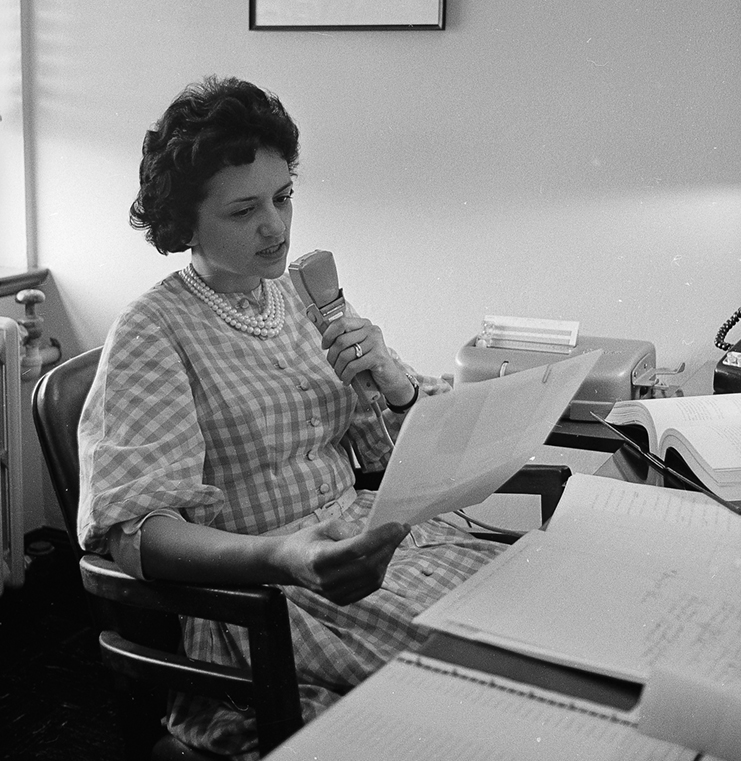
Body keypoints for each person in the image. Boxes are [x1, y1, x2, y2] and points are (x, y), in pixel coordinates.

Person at [77, 76, 501, 759]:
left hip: (371, 546)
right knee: (492, 680)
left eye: (282, 198)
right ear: (185, 222)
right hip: (268, 592)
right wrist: (283, 555)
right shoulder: (153, 331)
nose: (274, 226)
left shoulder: (301, 296)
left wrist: (393, 384)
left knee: (531, 617)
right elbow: (138, 535)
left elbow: (389, 457)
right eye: (243, 210)